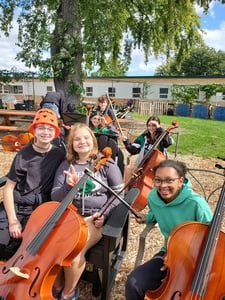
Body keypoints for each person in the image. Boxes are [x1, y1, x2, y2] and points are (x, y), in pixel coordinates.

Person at [51, 123, 124, 300]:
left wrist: (104, 215)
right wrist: (70, 187)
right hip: (69, 217)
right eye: (77, 139)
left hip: (93, 219)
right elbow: (55, 196)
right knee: (50, 246)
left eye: (86, 138)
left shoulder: (107, 165)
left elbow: (119, 194)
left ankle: (68, 293)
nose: (82, 142)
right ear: (71, 144)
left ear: (92, 140)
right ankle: (57, 282)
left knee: (74, 252)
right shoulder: (66, 166)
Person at [125, 159, 213, 300]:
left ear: (180, 181)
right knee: (134, 283)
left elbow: (211, 240)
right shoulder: (153, 197)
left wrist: (189, 263)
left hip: (198, 259)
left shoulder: (197, 204)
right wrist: (148, 217)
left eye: (169, 180)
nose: (163, 186)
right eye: (158, 180)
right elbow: (158, 210)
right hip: (170, 253)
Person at [0, 108, 65, 259]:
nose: (45, 132)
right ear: (34, 131)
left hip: (40, 208)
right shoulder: (23, 155)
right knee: (2, 245)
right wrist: (13, 220)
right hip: (19, 205)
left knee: (32, 248)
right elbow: (9, 188)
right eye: (41, 128)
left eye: (50, 129)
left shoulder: (59, 155)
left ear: (55, 133)